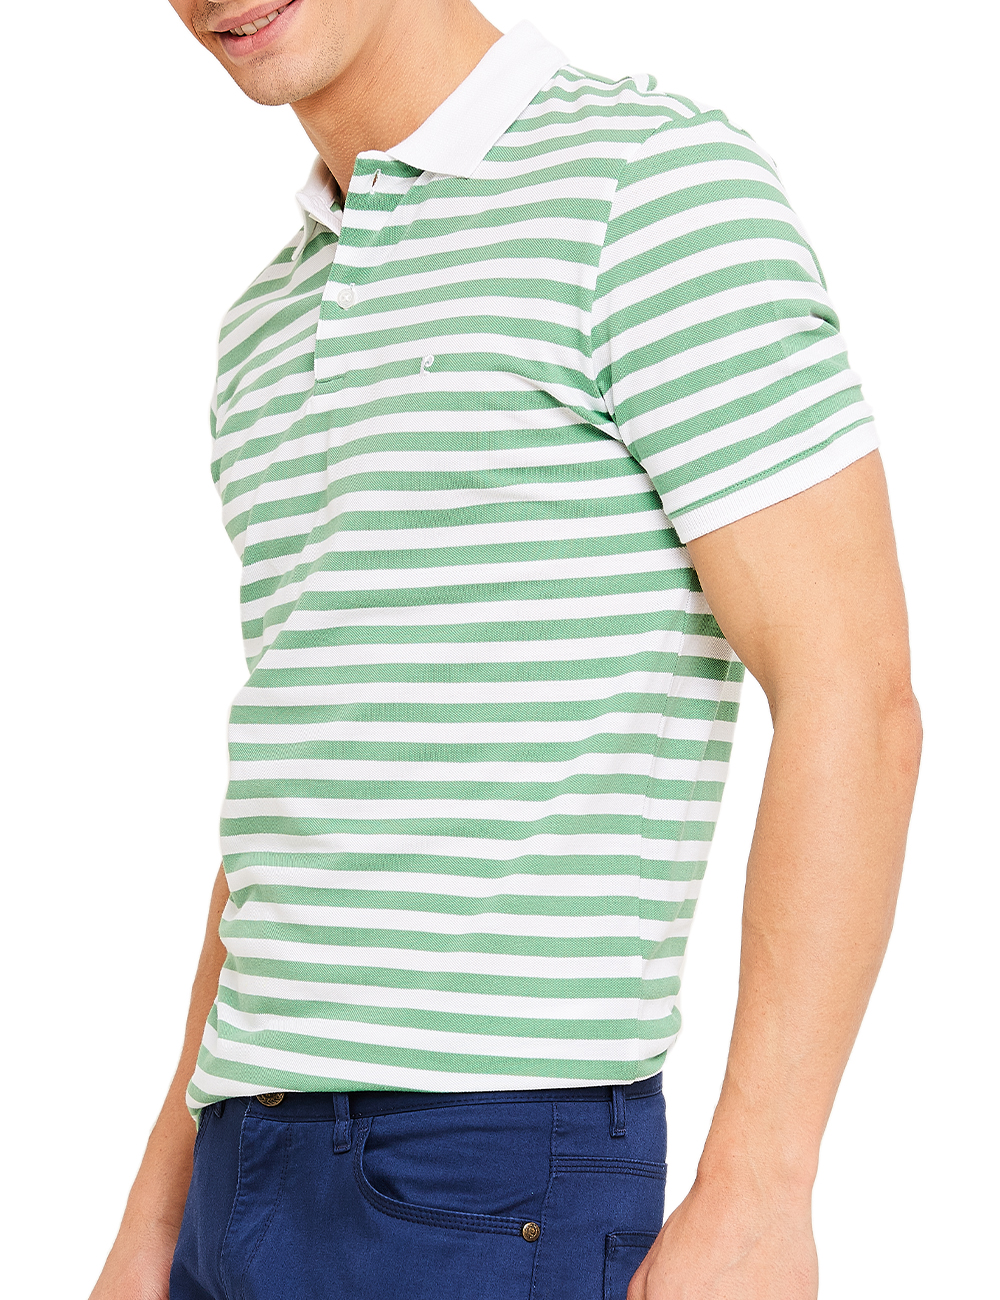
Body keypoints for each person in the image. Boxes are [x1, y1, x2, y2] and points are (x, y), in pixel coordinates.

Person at [89, 3, 922, 1297]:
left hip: (487, 1166)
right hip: (241, 1157)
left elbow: (851, 692)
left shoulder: (642, 188)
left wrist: (763, 1188)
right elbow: (303, 798)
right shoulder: (266, 320)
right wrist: (158, 1212)